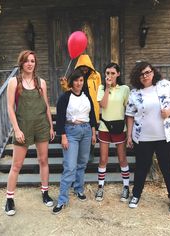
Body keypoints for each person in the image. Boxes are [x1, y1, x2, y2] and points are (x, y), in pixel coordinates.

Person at [125, 61, 170, 214]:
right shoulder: (134, 93)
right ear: (137, 77)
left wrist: (169, 111)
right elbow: (130, 115)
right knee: (141, 168)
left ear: (153, 72)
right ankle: (136, 195)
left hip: (166, 137)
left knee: (168, 169)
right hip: (143, 138)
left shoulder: (164, 85)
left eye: (147, 72)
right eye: (141, 74)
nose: (145, 76)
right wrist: (129, 135)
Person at [5, 50, 55, 216]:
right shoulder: (14, 82)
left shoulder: (41, 82)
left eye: (32, 61)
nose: (29, 64)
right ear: (21, 63)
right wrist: (17, 129)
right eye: (26, 61)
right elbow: (10, 108)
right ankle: (9, 199)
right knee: (16, 165)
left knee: (43, 160)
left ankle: (45, 192)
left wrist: (50, 126)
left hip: (41, 125)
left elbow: (46, 106)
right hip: (23, 126)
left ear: (35, 63)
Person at [53, 69, 96, 215]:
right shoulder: (65, 97)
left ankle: (78, 189)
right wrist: (63, 136)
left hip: (86, 131)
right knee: (70, 166)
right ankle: (62, 199)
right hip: (71, 131)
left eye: (81, 80)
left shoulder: (86, 96)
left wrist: (93, 132)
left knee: (82, 163)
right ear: (71, 82)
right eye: (76, 80)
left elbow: (92, 115)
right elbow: (59, 118)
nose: (79, 83)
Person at [95, 62, 130, 202]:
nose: (109, 76)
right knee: (103, 159)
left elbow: (128, 110)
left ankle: (126, 187)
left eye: (112, 73)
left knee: (122, 158)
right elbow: (103, 105)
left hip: (119, 127)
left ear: (118, 74)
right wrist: (107, 88)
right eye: (107, 73)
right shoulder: (101, 88)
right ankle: (100, 187)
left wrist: (129, 132)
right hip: (104, 126)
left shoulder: (125, 89)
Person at [60, 54, 101, 162]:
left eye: (86, 66)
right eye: (82, 66)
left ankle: (90, 152)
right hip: (78, 105)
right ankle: (78, 152)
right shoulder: (74, 76)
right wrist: (64, 84)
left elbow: (100, 88)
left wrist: (100, 102)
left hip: (91, 104)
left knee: (93, 129)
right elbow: (68, 91)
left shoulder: (96, 75)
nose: (84, 69)